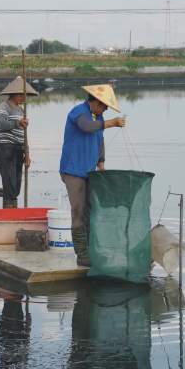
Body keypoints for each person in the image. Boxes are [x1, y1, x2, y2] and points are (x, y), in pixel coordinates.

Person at [59, 84, 126, 267]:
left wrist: (101, 163)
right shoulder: (79, 112)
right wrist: (111, 123)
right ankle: (82, 255)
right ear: (95, 101)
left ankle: (91, 250)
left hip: (90, 171)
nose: (105, 109)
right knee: (78, 211)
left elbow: (100, 140)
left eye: (106, 108)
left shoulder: (99, 116)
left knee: (90, 212)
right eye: (104, 105)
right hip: (73, 171)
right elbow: (87, 127)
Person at [0, 76, 38, 208]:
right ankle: (9, 212)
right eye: (21, 95)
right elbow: (0, 123)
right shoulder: (4, 106)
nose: (23, 98)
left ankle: (14, 211)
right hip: (7, 149)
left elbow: (24, 135)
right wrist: (17, 122)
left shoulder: (21, 110)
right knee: (10, 186)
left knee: (17, 185)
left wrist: (27, 154)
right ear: (14, 94)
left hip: (19, 150)